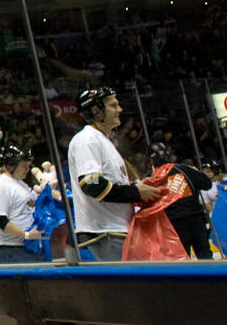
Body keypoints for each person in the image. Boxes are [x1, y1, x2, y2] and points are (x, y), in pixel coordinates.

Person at [67, 87, 161, 261]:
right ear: (96, 111)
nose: (119, 110)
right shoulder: (87, 140)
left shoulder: (103, 140)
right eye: (113, 105)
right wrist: (135, 192)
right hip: (106, 234)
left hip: (114, 231)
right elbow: (92, 185)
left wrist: (137, 189)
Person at [0, 146, 43, 264]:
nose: (27, 169)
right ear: (12, 165)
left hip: (30, 247)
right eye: (24, 166)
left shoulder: (21, 184)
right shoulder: (0, 186)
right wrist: (26, 235)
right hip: (13, 250)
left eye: (29, 165)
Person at [159, 162, 214, 259]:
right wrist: (198, 173)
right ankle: (210, 273)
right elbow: (207, 184)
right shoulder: (184, 169)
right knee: (204, 253)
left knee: (182, 255)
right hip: (194, 216)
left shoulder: (155, 174)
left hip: (174, 220)